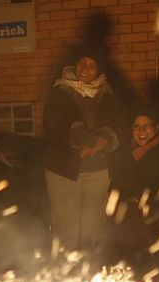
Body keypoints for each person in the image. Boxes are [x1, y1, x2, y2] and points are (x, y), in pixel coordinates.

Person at [43, 47, 120, 252]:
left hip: (97, 170)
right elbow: (53, 125)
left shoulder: (107, 92)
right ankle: (65, 277)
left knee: (92, 230)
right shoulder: (59, 90)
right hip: (63, 170)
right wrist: (86, 138)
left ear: (99, 70)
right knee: (66, 232)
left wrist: (103, 139)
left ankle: (87, 277)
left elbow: (116, 124)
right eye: (82, 63)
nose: (85, 69)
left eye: (92, 65)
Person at [108, 106, 159, 268]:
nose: (141, 131)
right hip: (129, 217)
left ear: (157, 128)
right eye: (137, 127)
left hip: (157, 217)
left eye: (146, 126)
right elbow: (117, 184)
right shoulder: (127, 152)